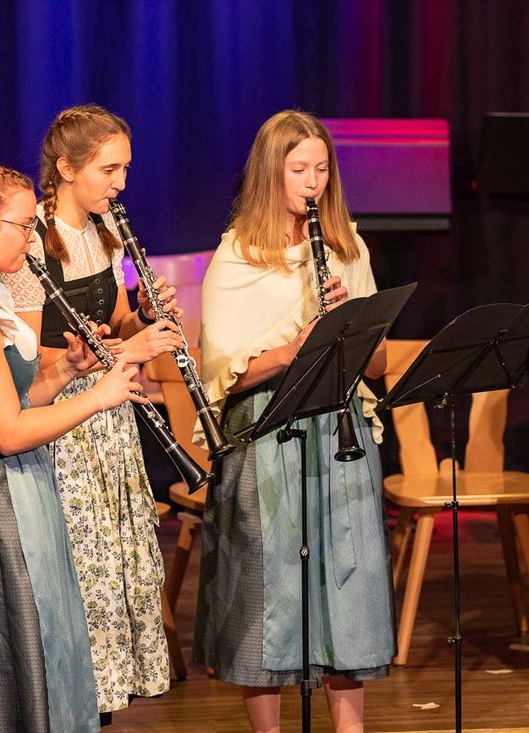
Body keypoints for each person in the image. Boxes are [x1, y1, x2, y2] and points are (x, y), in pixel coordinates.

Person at [0, 160, 149, 732]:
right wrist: (100, 397)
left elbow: (18, 396)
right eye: (22, 226)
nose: (30, 237)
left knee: (39, 640)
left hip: (16, 485)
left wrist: (66, 370)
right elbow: (8, 430)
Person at [195, 110, 394, 733]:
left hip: (339, 428)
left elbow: (380, 363)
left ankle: (350, 728)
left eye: (322, 169)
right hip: (265, 430)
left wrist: (351, 324)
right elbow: (220, 373)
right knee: (266, 584)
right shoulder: (237, 254)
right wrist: (295, 349)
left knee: (348, 578)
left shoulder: (347, 247)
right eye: (299, 169)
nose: (313, 182)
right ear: (270, 173)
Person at [0, 104, 183, 719]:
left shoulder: (104, 231)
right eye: (110, 170)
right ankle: (70, 705)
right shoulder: (32, 241)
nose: (121, 183)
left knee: (112, 568)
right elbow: (33, 358)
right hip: (62, 421)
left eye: (125, 169)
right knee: (79, 569)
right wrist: (130, 349)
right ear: (66, 168)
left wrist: (146, 318)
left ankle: (100, 703)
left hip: (110, 416)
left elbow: (117, 320)